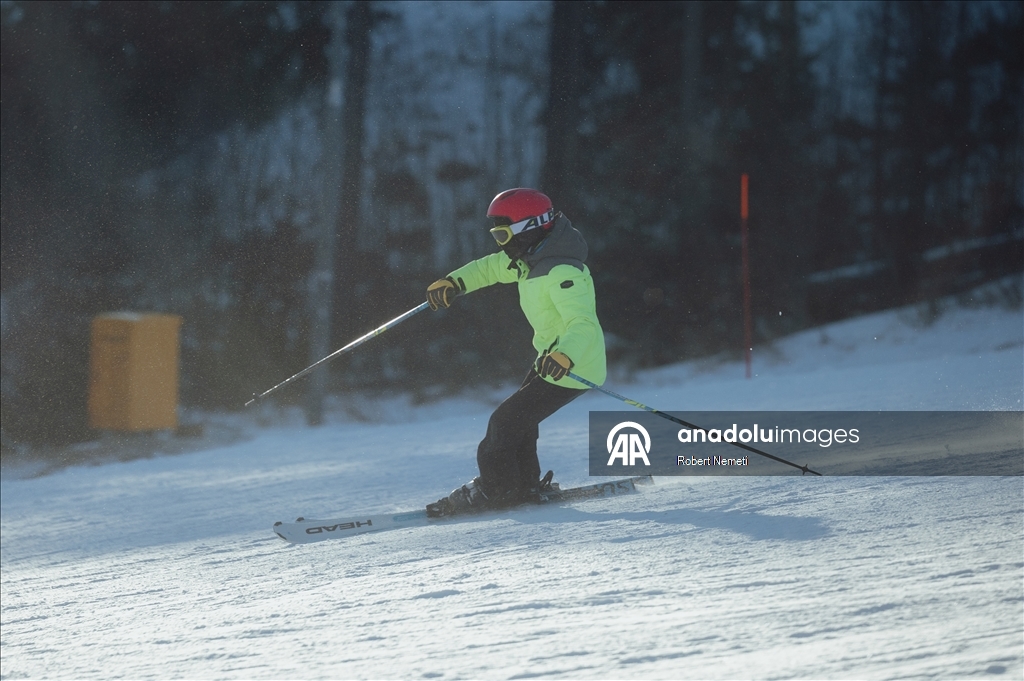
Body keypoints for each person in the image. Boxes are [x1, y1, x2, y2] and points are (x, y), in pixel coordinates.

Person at [424, 188, 607, 516]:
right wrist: (454, 283)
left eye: (502, 233)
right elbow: (488, 269)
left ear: (530, 227)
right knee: (519, 423)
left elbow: (583, 324)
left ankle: (497, 490)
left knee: (504, 423)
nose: (499, 242)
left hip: (572, 365)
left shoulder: (564, 272)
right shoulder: (528, 260)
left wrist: (565, 356)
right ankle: (521, 486)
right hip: (549, 360)